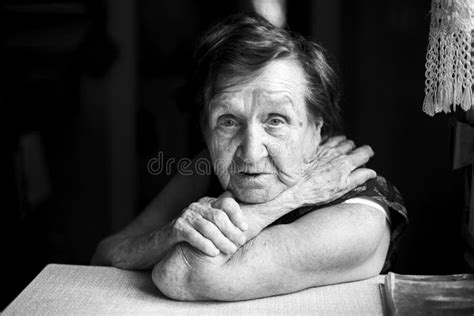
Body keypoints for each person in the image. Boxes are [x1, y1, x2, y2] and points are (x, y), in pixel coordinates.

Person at [91, 13, 407, 301]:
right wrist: (174, 230)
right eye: (228, 121)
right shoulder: (208, 167)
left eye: (275, 120)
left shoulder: (359, 216)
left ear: (316, 129)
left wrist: (294, 196)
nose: (251, 152)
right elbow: (105, 255)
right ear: (206, 128)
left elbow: (184, 272)